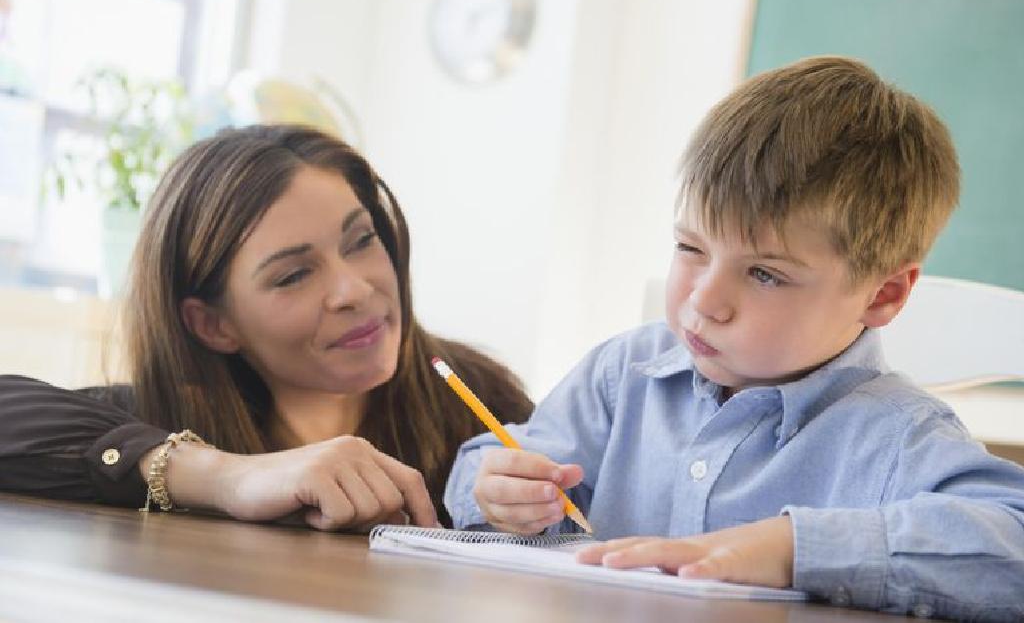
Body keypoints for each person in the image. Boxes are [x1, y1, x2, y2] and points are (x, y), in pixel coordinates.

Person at [444, 57, 1024, 619]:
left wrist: (792, 549)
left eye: (765, 274)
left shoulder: (897, 436)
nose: (704, 301)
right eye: (691, 249)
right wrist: (495, 490)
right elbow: (493, 462)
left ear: (882, 296)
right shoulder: (624, 375)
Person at [0, 124, 532, 530]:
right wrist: (230, 476)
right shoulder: (158, 419)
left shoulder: (482, 400)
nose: (353, 290)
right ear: (212, 325)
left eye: (361, 240)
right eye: (294, 275)